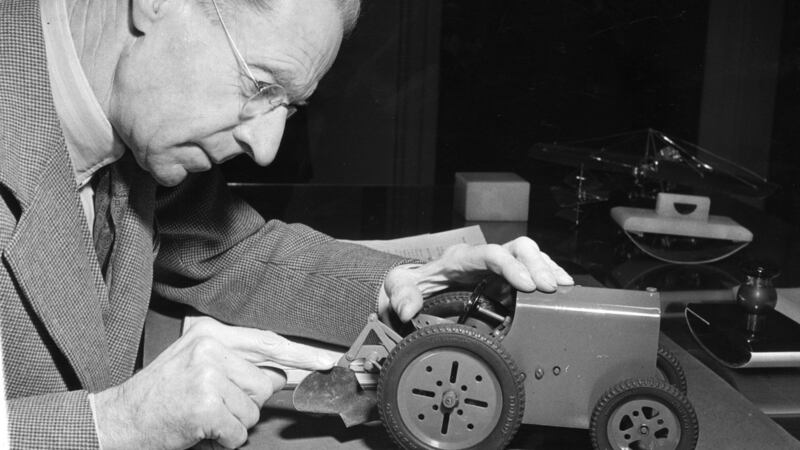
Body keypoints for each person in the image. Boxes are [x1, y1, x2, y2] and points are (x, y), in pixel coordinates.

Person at [0, 0, 573, 448]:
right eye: (261, 86)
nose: (266, 148)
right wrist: (113, 425)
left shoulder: (133, 121)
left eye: (289, 107)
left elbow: (226, 252)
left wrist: (410, 285)